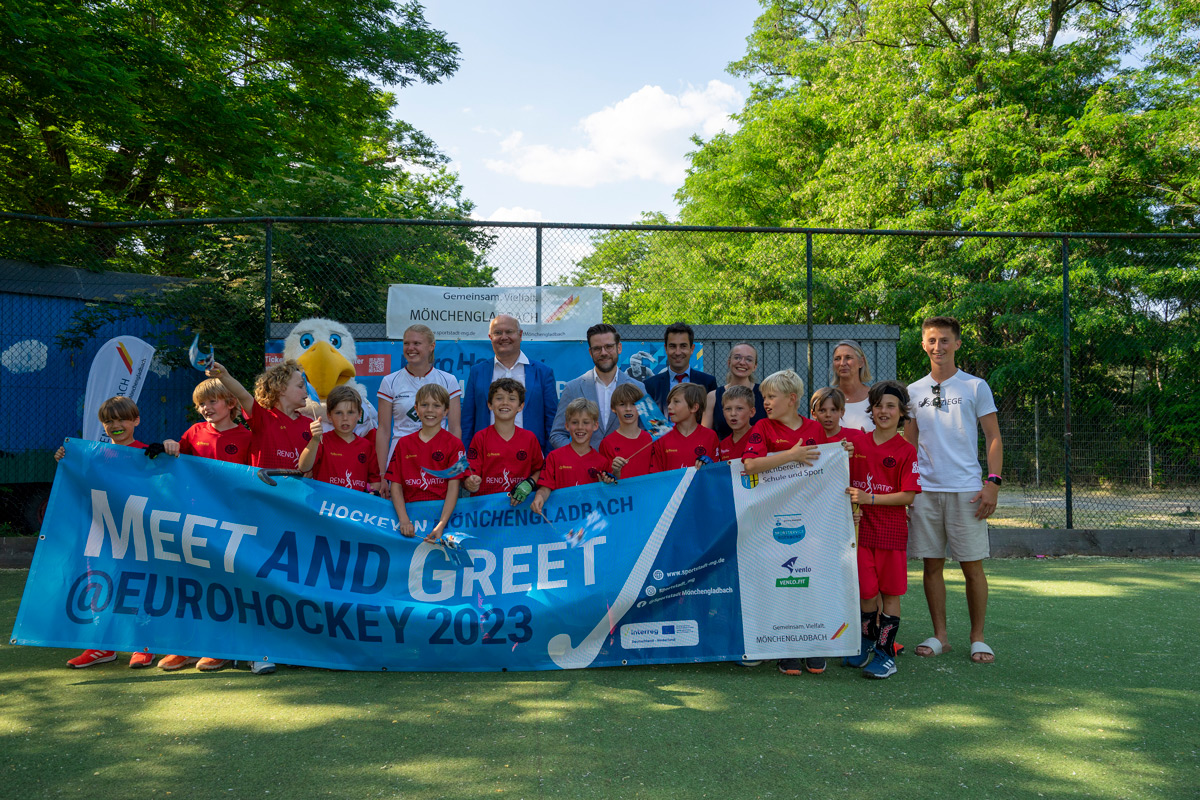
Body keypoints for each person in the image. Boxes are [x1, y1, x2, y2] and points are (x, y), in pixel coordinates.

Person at [904, 316, 1003, 665]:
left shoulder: (975, 386)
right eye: (931, 340)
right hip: (925, 493)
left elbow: (993, 437)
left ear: (957, 344)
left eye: (945, 340)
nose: (938, 347)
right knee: (931, 567)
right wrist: (907, 489)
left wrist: (992, 482)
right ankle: (940, 636)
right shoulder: (913, 391)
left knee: (971, 568)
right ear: (923, 344)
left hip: (968, 492)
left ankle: (978, 638)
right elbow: (908, 444)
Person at [209, 358, 316, 675]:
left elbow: (306, 471)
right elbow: (242, 395)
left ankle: (289, 646)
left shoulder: (307, 425)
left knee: (289, 579)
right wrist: (225, 373)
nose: (305, 389)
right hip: (257, 512)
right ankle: (258, 651)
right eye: (300, 384)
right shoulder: (262, 415)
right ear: (281, 389)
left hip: (291, 514)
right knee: (256, 579)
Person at [157, 379, 254, 672]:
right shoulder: (193, 433)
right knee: (190, 582)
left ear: (231, 403)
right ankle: (185, 647)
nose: (206, 408)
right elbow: (174, 463)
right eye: (201, 404)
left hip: (230, 523)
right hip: (194, 519)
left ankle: (218, 647)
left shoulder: (247, 437)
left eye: (212, 401)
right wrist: (170, 447)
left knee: (221, 585)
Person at [56, 396, 157, 670]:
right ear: (102, 425)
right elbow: (80, 485)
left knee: (137, 582)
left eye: (122, 419)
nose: (116, 425)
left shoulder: (150, 453)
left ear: (136, 420)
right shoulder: (92, 454)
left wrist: (169, 452)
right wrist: (66, 459)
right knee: (100, 583)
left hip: (137, 532)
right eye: (109, 420)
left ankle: (142, 643)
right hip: (100, 532)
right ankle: (102, 645)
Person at [741, 369, 824, 677]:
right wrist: (791, 455)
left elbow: (828, 463)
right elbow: (750, 465)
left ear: (792, 399)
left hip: (812, 519)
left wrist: (845, 452)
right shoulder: (762, 426)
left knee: (807, 581)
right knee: (780, 581)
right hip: (771, 521)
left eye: (771, 397)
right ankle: (785, 647)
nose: (766, 403)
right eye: (764, 397)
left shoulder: (815, 428)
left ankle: (811, 644)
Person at [843, 381, 921, 679]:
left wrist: (869, 498)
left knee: (889, 593)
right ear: (871, 410)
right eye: (878, 406)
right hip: (860, 533)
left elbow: (908, 496)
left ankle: (886, 653)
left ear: (902, 412)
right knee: (866, 592)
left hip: (890, 533)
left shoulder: (905, 451)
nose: (883, 411)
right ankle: (865, 640)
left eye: (891, 406)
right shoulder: (856, 445)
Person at [376, 324, 461, 499]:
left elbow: (454, 429)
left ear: (431, 346)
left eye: (417, 343)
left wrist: (456, 470)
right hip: (401, 459)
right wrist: (382, 474)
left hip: (439, 458)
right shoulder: (389, 381)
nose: (410, 348)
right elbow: (383, 430)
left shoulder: (448, 380)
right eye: (406, 343)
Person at [461, 314, 557, 454]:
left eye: (509, 332)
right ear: (490, 337)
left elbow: (552, 422)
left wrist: (547, 462)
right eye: (498, 333)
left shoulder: (543, 373)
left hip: (530, 459)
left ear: (520, 334)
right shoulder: (478, 372)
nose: (504, 337)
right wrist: (467, 463)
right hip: (486, 459)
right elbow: (467, 422)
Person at [386, 384, 465, 544]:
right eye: (424, 405)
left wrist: (442, 523)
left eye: (436, 405)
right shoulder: (403, 444)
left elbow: (454, 487)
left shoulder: (456, 444)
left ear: (446, 411)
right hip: (410, 517)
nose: (430, 410)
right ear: (416, 409)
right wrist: (404, 520)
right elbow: (395, 486)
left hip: (443, 517)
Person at [551, 323, 645, 450]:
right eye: (597, 348)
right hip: (585, 468)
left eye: (609, 347)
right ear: (590, 352)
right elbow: (557, 434)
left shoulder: (638, 388)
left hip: (626, 467)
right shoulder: (573, 388)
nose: (603, 353)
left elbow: (654, 430)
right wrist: (578, 457)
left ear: (619, 347)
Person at [463, 378, 544, 501]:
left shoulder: (530, 438)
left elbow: (540, 470)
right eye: (499, 398)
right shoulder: (480, 437)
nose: (505, 403)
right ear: (490, 404)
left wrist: (530, 483)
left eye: (512, 399)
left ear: (520, 406)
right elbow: (471, 473)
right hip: (486, 511)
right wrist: (471, 481)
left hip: (520, 511)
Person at [531, 398, 613, 515]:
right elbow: (545, 488)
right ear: (567, 426)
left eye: (586, 422)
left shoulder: (602, 461)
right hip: (561, 519)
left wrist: (606, 485)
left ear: (595, 426)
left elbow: (607, 494)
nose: (580, 427)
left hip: (589, 524)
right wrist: (539, 497)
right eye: (575, 422)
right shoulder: (554, 457)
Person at [298, 384, 381, 494]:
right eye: (339, 413)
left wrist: (372, 492)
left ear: (359, 415)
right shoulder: (322, 440)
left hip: (353, 509)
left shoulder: (367, 446)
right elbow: (303, 467)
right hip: (325, 507)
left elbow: (375, 482)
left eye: (350, 412)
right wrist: (315, 440)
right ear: (329, 416)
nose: (345, 418)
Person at [642, 322, 718, 411]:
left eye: (683, 346)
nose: (678, 352)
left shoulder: (707, 383)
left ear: (692, 349)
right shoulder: (650, 386)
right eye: (673, 346)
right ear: (666, 349)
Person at [650, 383, 720, 472]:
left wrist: (711, 465)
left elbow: (717, 474)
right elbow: (655, 476)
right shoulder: (662, 436)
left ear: (694, 407)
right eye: (669, 402)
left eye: (676, 402)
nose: (669, 407)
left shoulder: (710, 436)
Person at [702, 343, 767, 439]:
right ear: (729, 362)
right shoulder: (713, 396)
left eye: (749, 359)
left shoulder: (765, 394)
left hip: (759, 453)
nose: (742, 362)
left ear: (755, 366)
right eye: (737, 358)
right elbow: (704, 436)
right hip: (725, 453)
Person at [600, 383, 654, 480]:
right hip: (622, 495)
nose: (628, 409)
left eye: (633, 404)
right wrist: (615, 471)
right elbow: (607, 481)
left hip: (648, 494)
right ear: (613, 408)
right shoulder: (607, 443)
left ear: (641, 406)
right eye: (622, 404)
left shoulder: (650, 439)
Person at [831, 340, 874, 432]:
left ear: (861, 362)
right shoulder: (826, 399)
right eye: (837, 358)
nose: (842, 363)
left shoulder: (875, 398)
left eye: (848, 357)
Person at [717, 385, 756, 461]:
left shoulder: (761, 437)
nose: (733, 413)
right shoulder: (723, 445)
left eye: (739, 408)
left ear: (751, 412)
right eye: (728, 409)